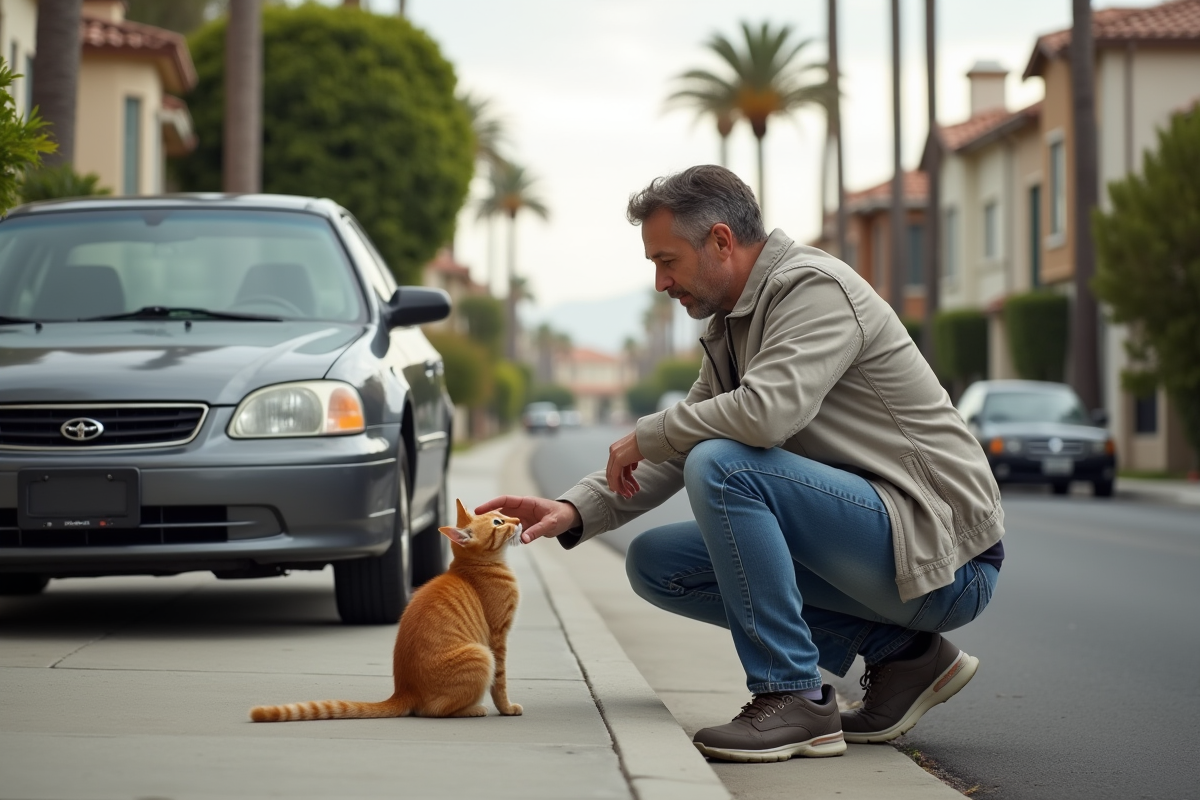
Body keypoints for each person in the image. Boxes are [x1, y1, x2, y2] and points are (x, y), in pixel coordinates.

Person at [478, 165, 1003, 764]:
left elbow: (763, 415)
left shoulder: (814, 289)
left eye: (667, 261)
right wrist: (574, 509)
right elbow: (686, 440)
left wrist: (647, 434)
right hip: (882, 547)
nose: (660, 282)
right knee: (658, 564)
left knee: (724, 466)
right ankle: (904, 656)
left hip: (944, 555)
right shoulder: (733, 326)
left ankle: (793, 694)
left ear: (721, 241)